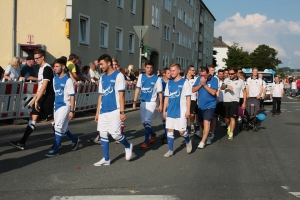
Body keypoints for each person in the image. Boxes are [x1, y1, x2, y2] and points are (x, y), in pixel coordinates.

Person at [9, 49, 55, 150]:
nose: (35, 60)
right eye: (34, 58)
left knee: (52, 119)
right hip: (41, 97)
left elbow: (44, 86)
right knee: (32, 117)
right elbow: (39, 86)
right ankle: (22, 142)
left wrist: (37, 100)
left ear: (43, 57)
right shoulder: (40, 68)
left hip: (48, 97)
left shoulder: (47, 68)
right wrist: (34, 99)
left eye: (37, 58)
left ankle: (60, 141)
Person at [93, 54, 133, 166]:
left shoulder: (119, 75)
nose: (100, 66)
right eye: (99, 64)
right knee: (103, 134)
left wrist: (122, 112)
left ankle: (127, 145)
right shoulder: (102, 77)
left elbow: (122, 95)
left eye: (102, 64)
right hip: (103, 110)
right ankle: (106, 158)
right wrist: (97, 112)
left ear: (109, 63)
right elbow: (100, 95)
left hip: (115, 110)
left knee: (115, 135)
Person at [45, 58, 79, 157]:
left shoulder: (68, 80)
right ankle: (74, 139)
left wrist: (72, 110)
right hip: (57, 106)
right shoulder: (55, 78)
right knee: (63, 128)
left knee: (58, 127)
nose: (54, 68)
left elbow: (72, 96)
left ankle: (56, 149)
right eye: (54, 66)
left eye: (57, 66)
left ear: (63, 67)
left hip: (65, 106)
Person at [163, 63, 192, 157]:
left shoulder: (185, 82)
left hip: (181, 110)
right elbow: (166, 98)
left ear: (179, 71)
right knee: (170, 130)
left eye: (173, 70)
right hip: (170, 110)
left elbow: (188, 98)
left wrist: (188, 110)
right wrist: (164, 110)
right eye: (170, 71)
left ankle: (188, 140)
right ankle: (170, 150)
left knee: (181, 132)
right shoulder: (169, 83)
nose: (171, 72)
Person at [133, 60, 163, 149]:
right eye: (147, 67)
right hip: (143, 102)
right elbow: (137, 89)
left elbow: (160, 93)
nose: (149, 69)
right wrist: (134, 101)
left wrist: (160, 104)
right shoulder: (141, 76)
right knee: (144, 123)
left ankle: (145, 142)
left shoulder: (157, 79)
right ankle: (153, 134)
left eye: (151, 68)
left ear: (153, 68)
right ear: (145, 68)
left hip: (152, 103)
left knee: (147, 121)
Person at [192, 66, 218, 149]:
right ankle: (207, 134)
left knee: (207, 122)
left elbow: (213, 92)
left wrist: (205, 85)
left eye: (204, 75)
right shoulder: (199, 79)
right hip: (201, 105)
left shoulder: (214, 80)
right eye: (201, 75)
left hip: (210, 105)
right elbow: (193, 89)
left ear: (208, 73)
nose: (203, 77)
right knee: (201, 123)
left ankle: (203, 141)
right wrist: (200, 84)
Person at [220, 68, 246, 140]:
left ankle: (231, 133)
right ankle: (229, 126)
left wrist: (244, 102)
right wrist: (227, 86)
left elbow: (244, 92)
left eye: (232, 74)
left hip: (235, 101)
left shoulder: (241, 81)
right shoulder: (226, 80)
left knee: (232, 117)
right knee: (225, 118)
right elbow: (222, 88)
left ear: (236, 73)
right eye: (229, 74)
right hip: (226, 101)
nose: (230, 75)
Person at [185, 65, 198, 135]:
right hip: (185, 99)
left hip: (193, 98)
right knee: (185, 114)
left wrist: (197, 98)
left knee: (192, 114)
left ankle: (192, 125)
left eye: (194, 70)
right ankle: (186, 127)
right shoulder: (183, 79)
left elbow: (197, 89)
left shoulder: (195, 79)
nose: (194, 71)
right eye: (193, 70)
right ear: (189, 71)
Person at [160, 67, 171, 144]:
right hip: (163, 103)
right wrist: (159, 104)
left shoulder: (172, 82)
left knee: (168, 120)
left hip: (170, 104)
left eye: (170, 72)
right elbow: (158, 93)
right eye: (168, 73)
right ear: (164, 74)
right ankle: (166, 133)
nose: (170, 74)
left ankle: (167, 136)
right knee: (163, 120)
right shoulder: (160, 82)